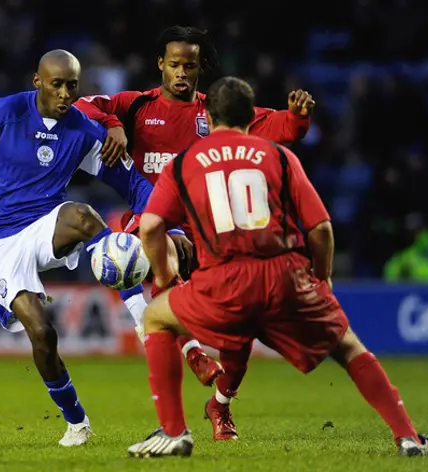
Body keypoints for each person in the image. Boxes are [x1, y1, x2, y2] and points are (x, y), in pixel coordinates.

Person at [127, 77, 428, 458]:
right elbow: (321, 228)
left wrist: (164, 278)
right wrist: (320, 279)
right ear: (250, 116)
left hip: (222, 282)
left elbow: (150, 226)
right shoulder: (277, 156)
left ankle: (174, 431)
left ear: (207, 117)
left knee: (157, 317)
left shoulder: (184, 163)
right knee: (348, 348)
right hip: (285, 277)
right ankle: (407, 436)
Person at [75, 26, 316, 440]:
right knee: (147, 252)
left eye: (190, 65)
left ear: (201, 67)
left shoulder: (217, 114)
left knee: (240, 332)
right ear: (160, 66)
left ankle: (220, 404)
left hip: (212, 231)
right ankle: (190, 359)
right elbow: (82, 104)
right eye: (174, 65)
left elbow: (281, 130)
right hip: (153, 222)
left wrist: (297, 116)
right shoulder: (135, 106)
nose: (181, 73)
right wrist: (114, 123)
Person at [0, 50, 155, 447]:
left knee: (83, 214)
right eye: (56, 84)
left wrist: (164, 221)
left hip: (47, 225)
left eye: (72, 86)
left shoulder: (84, 131)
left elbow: (136, 186)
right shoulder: (0, 113)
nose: (65, 94)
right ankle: (77, 421)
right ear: (37, 82)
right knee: (43, 334)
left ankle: (142, 317)